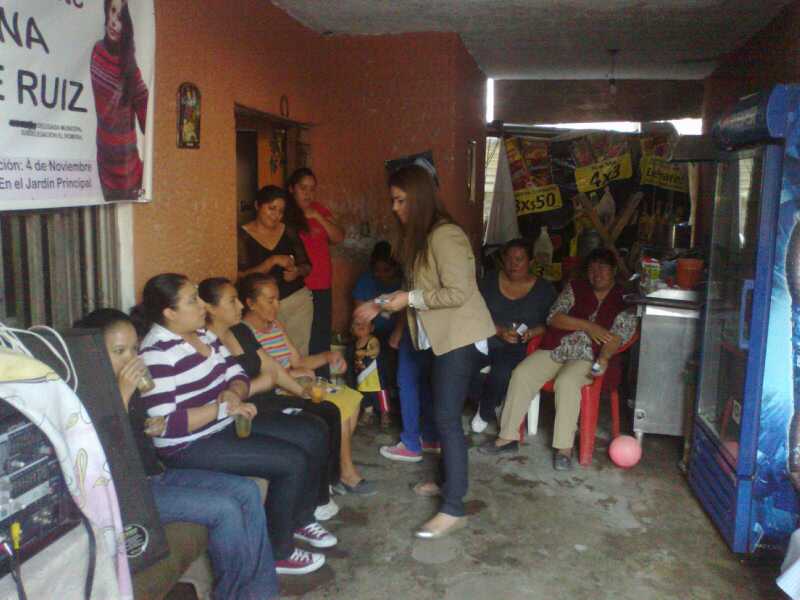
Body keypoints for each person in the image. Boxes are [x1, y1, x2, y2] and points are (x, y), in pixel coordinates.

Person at [135, 273, 336, 575]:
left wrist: (234, 393)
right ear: (169, 313)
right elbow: (166, 425)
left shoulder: (202, 335)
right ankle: (279, 553)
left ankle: (301, 519)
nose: (202, 305)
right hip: (189, 444)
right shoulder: (156, 354)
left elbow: (236, 374)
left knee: (311, 431)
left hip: (225, 421)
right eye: (193, 301)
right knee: (291, 460)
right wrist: (222, 408)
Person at [76, 308, 280, 599]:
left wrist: (153, 426)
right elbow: (98, 457)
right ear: (93, 352)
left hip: (156, 476)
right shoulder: (83, 393)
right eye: (119, 351)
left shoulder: (132, 387)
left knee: (246, 490)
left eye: (134, 349)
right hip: (127, 495)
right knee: (225, 509)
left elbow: (139, 433)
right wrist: (123, 393)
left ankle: (262, 593)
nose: (131, 359)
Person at [354, 164, 495, 539]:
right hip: (441, 337)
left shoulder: (446, 235)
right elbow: (412, 292)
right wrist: (379, 304)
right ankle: (447, 483)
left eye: (400, 200)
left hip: (460, 336)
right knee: (441, 412)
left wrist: (408, 299)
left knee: (446, 417)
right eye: (393, 200)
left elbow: (458, 292)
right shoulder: (422, 237)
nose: (395, 208)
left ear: (417, 199)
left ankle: (453, 507)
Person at [198, 277, 360, 510]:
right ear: (211, 308)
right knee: (312, 429)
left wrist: (302, 391)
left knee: (328, 410)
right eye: (233, 301)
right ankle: (316, 500)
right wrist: (263, 383)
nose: (240, 306)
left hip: (266, 398)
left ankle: (327, 484)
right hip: (245, 410)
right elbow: (227, 390)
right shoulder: (206, 344)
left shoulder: (240, 331)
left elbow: (272, 368)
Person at [479, 248, 637, 471]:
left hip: (588, 355)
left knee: (567, 382)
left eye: (603, 268)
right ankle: (507, 438)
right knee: (522, 373)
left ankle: (564, 449)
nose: (597, 274)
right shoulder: (575, 288)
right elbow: (554, 317)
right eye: (592, 269)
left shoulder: (624, 299)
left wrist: (603, 358)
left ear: (613, 271)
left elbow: (619, 336)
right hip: (556, 348)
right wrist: (588, 326)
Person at [235, 273, 375, 496]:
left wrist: (328, 356)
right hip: (280, 391)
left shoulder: (276, 326)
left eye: (277, 299)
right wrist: (295, 374)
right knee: (337, 410)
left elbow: (298, 361)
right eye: (270, 300)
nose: (277, 305)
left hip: (299, 382)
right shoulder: (243, 333)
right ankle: (345, 473)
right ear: (250, 303)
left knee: (352, 398)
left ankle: (334, 467)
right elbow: (267, 373)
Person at [470, 238, 557, 433]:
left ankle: (485, 411)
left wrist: (533, 332)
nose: (513, 264)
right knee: (461, 364)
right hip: (485, 337)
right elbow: (473, 312)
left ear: (530, 262)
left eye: (519, 259)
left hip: (519, 345)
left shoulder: (543, 289)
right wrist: (498, 330)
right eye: (509, 259)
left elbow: (553, 321)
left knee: (501, 372)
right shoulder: (490, 281)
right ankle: (490, 400)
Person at [238, 185, 314, 356]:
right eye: (271, 208)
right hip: (261, 305)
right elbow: (241, 276)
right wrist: (271, 261)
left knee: (299, 354)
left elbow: (307, 266)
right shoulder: (243, 235)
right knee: (269, 355)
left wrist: (297, 271)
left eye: (281, 211)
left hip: (296, 301)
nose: (276, 215)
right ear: (257, 205)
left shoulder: (288, 230)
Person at [288, 168, 345, 376]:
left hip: (322, 283)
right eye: (303, 188)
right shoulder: (285, 213)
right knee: (301, 340)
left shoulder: (319, 210)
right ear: (292, 189)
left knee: (321, 337)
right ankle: (302, 383)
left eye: (312, 189)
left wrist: (317, 217)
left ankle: (322, 382)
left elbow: (338, 237)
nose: (308, 194)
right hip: (299, 287)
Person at [91, 0, 149, 200]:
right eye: (112, 11)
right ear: (106, 12)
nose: (114, 22)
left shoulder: (131, 71)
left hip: (128, 171)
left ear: (127, 25)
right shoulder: (96, 53)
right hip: (103, 164)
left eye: (121, 18)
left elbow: (149, 121)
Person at [348, 318, 390, 428]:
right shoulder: (355, 344)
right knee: (364, 394)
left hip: (374, 375)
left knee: (380, 394)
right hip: (362, 376)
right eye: (357, 324)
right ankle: (368, 412)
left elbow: (376, 351)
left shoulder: (372, 340)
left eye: (365, 323)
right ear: (352, 329)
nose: (361, 325)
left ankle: (384, 414)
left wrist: (365, 353)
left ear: (372, 328)